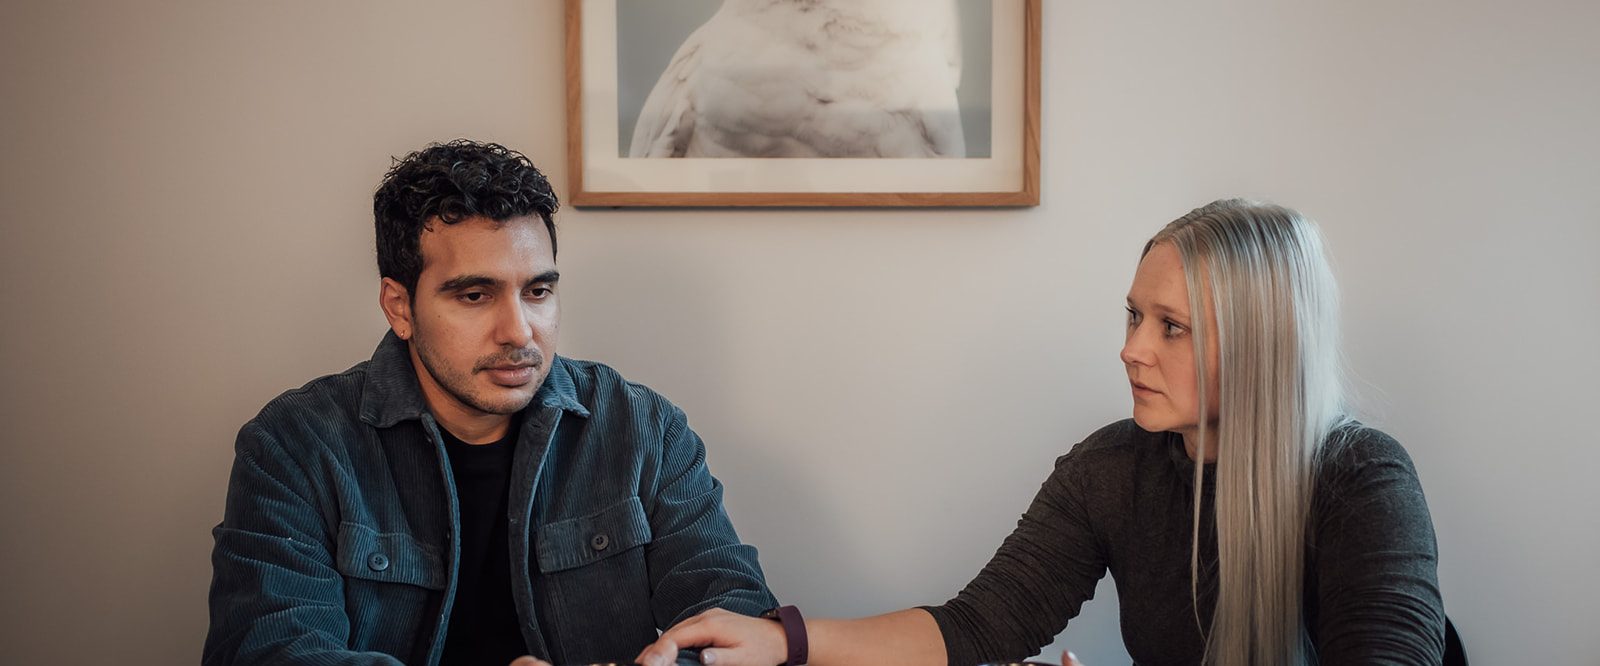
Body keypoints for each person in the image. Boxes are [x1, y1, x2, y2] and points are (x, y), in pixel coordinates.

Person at [632, 200, 1446, 666]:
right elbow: (980, 625)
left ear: (1264, 344)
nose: (1130, 349)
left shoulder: (1362, 483)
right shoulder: (1112, 468)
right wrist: (788, 641)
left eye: (1172, 327)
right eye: (1134, 315)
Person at [203, 140, 775, 666]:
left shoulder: (643, 429)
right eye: (475, 295)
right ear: (399, 306)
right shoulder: (295, 444)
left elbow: (734, 617)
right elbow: (270, 650)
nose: (520, 332)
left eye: (538, 291)